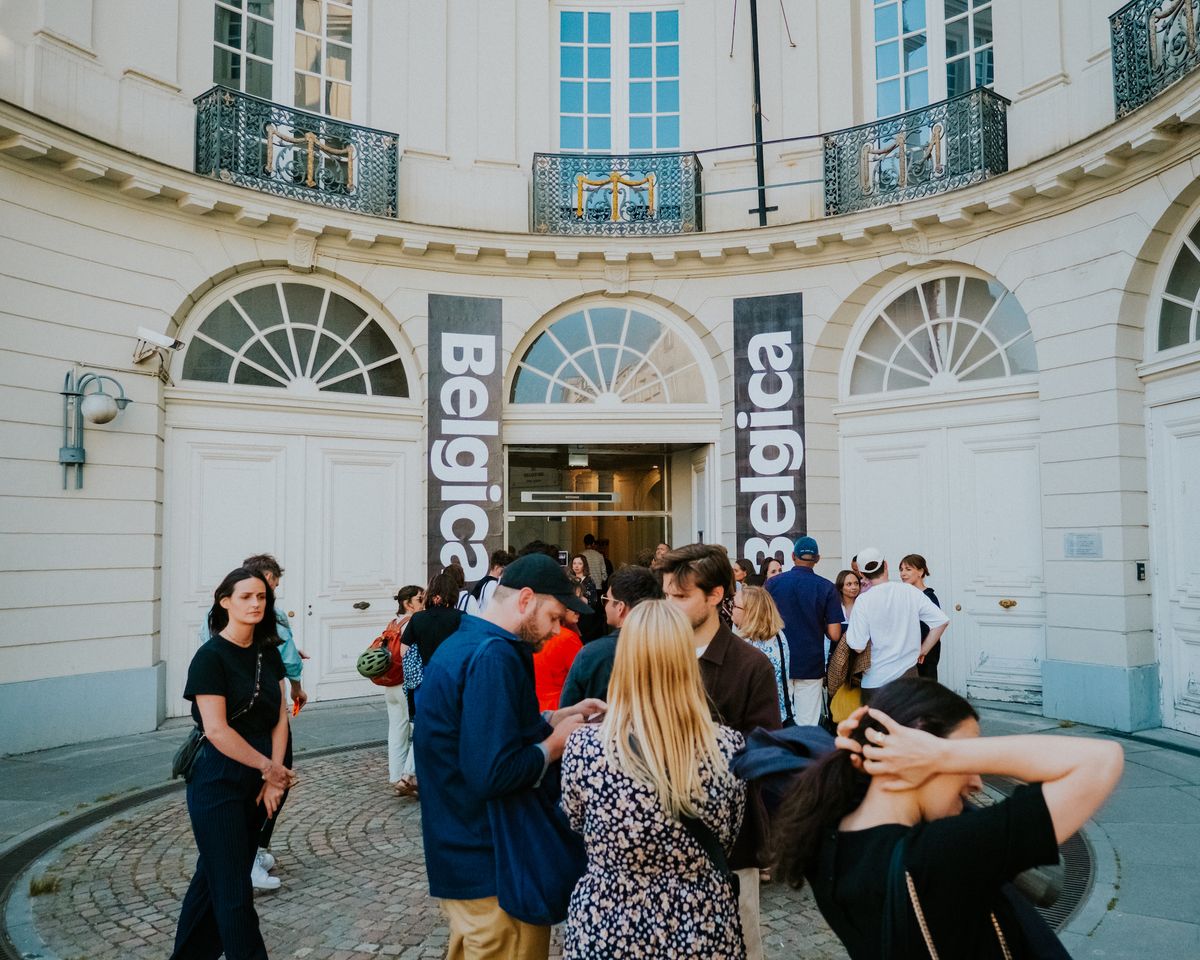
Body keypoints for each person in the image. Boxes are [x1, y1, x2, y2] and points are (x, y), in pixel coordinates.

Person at [774, 678, 1124, 960]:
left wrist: (870, 751)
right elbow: (1101, 761)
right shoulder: (941, 855)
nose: (976, 780)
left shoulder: (825, 836)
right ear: (916, 748)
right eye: (962, 758)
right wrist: (943, 754)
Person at [413, 554, 603, 960]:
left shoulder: (466, 642)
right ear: (527, 599)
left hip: (464, 853)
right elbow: (492, 772)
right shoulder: (494, 655)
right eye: (554, 617)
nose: (556, 630)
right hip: (494, 862)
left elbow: (482, 729)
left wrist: (555, 717)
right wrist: (555, 745)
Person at [561, 600, 747, 959]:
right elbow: (727, 833)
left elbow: (575, 820)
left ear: (626, 659)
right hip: (700, 923)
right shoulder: (726, 747)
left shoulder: (585, 747)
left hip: (608, 924)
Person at [658, 543, 781, 960]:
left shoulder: (750, 666)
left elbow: (763, 754)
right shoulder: (653, 656)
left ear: (714, 596)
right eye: (666, 595)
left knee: (740, 946)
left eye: (681, 596)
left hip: (729, 846)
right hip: (658, 841)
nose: (669, 605)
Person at [172, 567, 296, 960]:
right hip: (218, 779)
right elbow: (217, 730)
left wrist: (276, 776)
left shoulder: (268, 651)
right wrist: (269, 769)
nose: (256, 603)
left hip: (260, 778)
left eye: (261, 597)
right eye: (246, 597)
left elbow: (280, 716)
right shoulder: (210, 658)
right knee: (234, 893)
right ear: (224, 601)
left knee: (213, 878)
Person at [218, 553, 305, 893]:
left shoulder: (221, 622)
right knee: (270, 782)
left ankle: (249, 853)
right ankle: (252, 853)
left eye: (264, 595)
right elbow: (288, 659)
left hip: (240, 715)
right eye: (274, 585)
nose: (263, 600)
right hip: (254, 718)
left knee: (252, 783)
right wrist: (299, 688)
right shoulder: (272, 618)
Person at [847, 548, 948, 702]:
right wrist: (923, 650)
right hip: (908, 676)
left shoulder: (863, 601)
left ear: (861, 574)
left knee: (877, 725)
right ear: (886, 565)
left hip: (876, 679)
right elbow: (941, 621)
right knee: (907, 724)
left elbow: (858, 645)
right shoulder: (910, 591)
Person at [763, 537, 843, 727]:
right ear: (818, 559)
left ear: (792, 556)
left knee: (780, 720)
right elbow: (835, 634)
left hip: (778, 660)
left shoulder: (773, 584)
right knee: (808, 724)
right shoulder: (826, 587)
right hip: (810, 663)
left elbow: (761, 622)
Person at [558, 565, 664, 706]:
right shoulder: (671, 646)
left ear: (620, 607)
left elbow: (569, 710)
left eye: (606, 599)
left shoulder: (592, 653)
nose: (605, 606)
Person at [381, 585, 424, 797]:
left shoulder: (392, 623)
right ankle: (408, 777)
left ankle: (396, 776)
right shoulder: (413, 623)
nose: (422, 602)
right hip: (405, 685)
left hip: (390, 684)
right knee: (418, 730)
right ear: (408, 603)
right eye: (419, 599)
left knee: (396, 731)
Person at [731, 586, 793, 726]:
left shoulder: (745, 645)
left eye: (734, 605)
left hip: (756, 722)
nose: (731, 609)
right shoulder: (777, 635)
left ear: (750, 612)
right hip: (779, 715)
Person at [533, 581, 584, 711]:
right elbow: (583, 679)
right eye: (574, 602)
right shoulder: (567, 638)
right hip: (560, 709)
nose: (579, 607)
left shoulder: (535, 631)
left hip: (534, 708)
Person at [827, 570, 869, 724]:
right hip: (837, 656)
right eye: (849, 584)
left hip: (859, 657)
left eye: (856, 583)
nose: (853, 587)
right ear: (840, 587)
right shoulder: (834, 607)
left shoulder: (864, 605)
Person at [900, 553, 944, 682]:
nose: (903, 573)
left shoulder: (929, 596)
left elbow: (935, 626)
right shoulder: (905, 595)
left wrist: (923, 650)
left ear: (920, 571)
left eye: (908, 569)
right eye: (901, 569)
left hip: (925, 652)